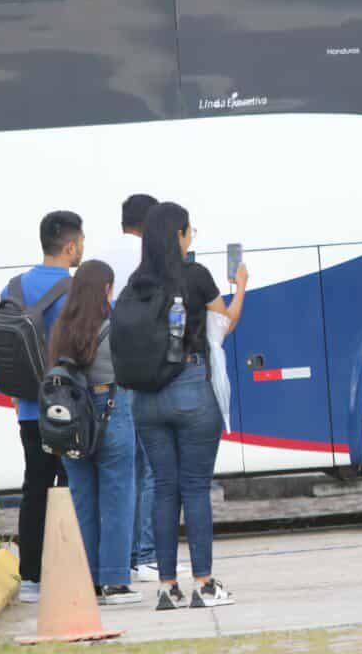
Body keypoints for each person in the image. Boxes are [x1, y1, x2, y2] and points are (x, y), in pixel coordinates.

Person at [129, 203, 248, 610]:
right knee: (194, 487)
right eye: (189, 230)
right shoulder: (195, 276)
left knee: (164, 488)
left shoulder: (135, 283)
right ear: (179, 235)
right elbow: (224, 326)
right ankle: (205, 584)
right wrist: (241, 286)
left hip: (145, 399)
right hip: (191, 388)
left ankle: (166, 588)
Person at [48, 260, 141, 604]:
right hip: (110, 411)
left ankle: (89, 583)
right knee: (117, 498)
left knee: (83, 499)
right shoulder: (112, 328)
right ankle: (116, 582)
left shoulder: (61, 330)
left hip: (72, 421)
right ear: (105, 289)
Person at [6, 211, 84, 604]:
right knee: (74, 486)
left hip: (29, 408)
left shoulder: (15, 285)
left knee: (34, 487)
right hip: (69, 408)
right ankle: (73, 570)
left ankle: (32, 578)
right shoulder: (77, 288)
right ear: (70, 246)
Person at [99, 193, 159, 583]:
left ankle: (129, 556)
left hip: (109, 373)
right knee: (151, 466)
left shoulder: (100, 257)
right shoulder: (151, 256)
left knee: (126, 468)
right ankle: (148, 555)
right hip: (144, 371)